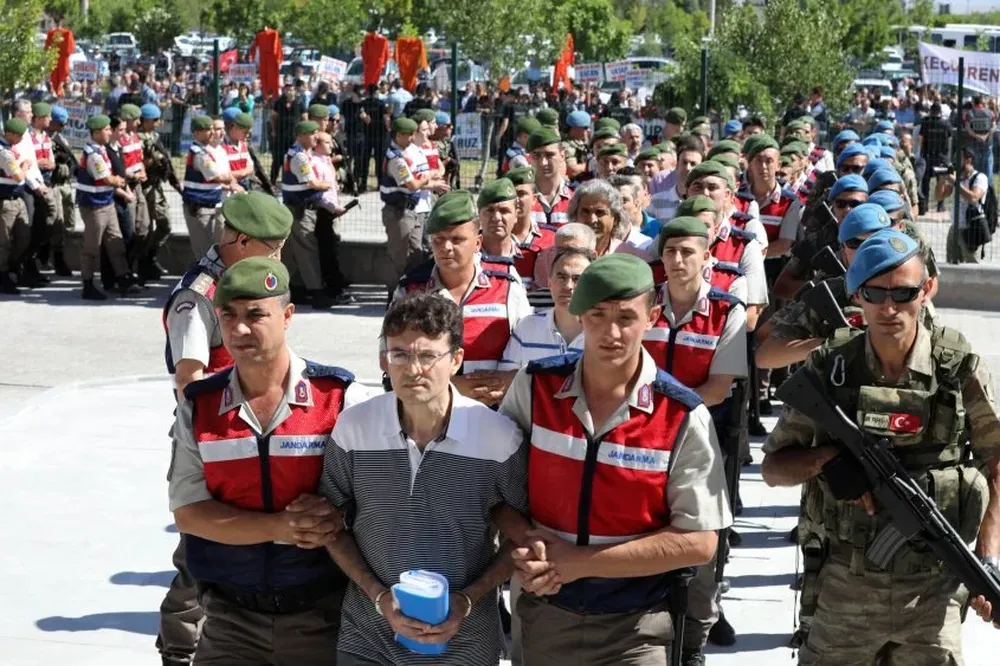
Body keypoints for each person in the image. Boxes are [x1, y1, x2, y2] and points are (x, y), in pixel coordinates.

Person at [761, 229, 1000, 665]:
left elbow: (995, 461)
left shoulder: (957, 368)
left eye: (903, 293)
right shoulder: (832, 369)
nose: (889, 308)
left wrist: (988, 559)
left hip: (933, 592)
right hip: (846, 586)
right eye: (874, 293)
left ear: (926, 289)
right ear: (857, 295)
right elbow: (773, 469)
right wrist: (826, 460)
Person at [497, 252, 732, 665]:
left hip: (638, 628)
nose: (611, 332)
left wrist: (579, 563)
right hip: (544, 613)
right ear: (579, 314)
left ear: (652, 317)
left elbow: (700, 541)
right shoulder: (535, 387)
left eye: (626, 317)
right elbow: (492, 488)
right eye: (598, 315)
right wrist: (527, 539)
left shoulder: (681, 414)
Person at [168, 255, 370, 665]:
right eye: (228, 315)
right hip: (229, 623)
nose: (239, 329)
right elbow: (189, 514)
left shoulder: (339, 398)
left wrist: (338, 516)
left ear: (288, 315)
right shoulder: (199, 407)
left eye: (256, 314)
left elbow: (378, 499)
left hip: (324, 619)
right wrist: (281, 526)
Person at [319, 292, 527, 666]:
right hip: (367, 639)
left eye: (428, 356)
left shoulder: (498, 438)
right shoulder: (354, 428)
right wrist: (379, 597)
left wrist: (467, 600)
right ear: (384, 360)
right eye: (399, 355)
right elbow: (330, 526)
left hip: (465, 644)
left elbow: (524, 535)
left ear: (456, 359)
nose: (413, 369)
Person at [158, 192, 293, 666]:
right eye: (272, 248)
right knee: (199, 547)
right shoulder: (199, 296)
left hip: (253, 430)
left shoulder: (245, 280)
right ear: (240, 242)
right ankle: (178, 648)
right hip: (216, 437)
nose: (278, 258)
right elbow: (189, 378)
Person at [644, 217, 748, 664]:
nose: (677, 260)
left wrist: (660, 410)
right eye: (670, 251)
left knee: (701, 551)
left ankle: (694, 642)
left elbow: (719, 388)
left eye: (687, 251)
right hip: (642, 440)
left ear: (707, 257)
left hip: (702, 443)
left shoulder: (727, 312)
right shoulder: (643, 304)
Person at [393, 190, 531, 405]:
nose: (446, 248)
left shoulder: (505, 284)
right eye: (438, 239)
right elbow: (391, 359)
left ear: (478, 242)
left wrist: (511, 380)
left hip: (497, 410)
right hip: (429, 410)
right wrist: (450, 388)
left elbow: (529, 348)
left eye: (457, 239)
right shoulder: (410, 289)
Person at [380, 117, 448, 296]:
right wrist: (427, 178)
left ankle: (411, 293)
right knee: (398, 256)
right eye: (408, 134)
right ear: (398, 135)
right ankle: (393, 295)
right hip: (399, 212)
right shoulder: (396, 159)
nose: (412, 138)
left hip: (411, 209)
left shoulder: (406, 153)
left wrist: (425, 179)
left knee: (416, 254)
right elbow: (412, 185)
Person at [76, 114, 141, 300]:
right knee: (92, 246)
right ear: (96, 133)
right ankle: (88, 284)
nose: (109, 132)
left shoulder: (101, 150)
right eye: (106, 130)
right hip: (94, 206)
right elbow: (104, 178)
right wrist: (118, 181)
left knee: (115, 242)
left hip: (106, 202)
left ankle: (123, 278)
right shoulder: (94, 155)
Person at [499, 245, 591, 370]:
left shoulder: (603, 332)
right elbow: (506, 376)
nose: (568, 286)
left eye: (577, 279)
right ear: (549, 283)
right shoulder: (527, 328)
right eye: (561, 277)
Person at [280, 120, 337, 309]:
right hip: (301, 210)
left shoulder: (303, 154)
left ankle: (297, 289)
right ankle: (316, 292)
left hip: (302, 208)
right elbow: (311, 182)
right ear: (301, 136)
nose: (316, 138)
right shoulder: (299, 157)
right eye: (312, 134)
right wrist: (326, 185)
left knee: (295, 252)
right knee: (307, 250)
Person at [183, 115, 243, 258]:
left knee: (212, 249)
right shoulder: (199, 153)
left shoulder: (208, 151)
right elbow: (217, 176)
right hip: (199, 206)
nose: (212, 133)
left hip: (209, 203)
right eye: (208, 129)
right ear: (197, 133)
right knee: (204, 252)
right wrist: (229, 177)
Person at [311, 130, 354, 305]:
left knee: (333, 249)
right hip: (324, 211)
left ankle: (336, 287)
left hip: (332, 209)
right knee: (327, 252)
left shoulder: (326, 161)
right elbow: (317, 193)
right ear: (317, 145)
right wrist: (333, 208)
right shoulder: (315, 162)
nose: (332, 146)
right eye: (327, 143)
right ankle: (332, 290)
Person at [138, 103, 177, 281]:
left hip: (155, 186)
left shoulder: (154, 137)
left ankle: (150, 256)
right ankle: (143, 264)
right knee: (145, 228)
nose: (157, 123)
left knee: (165, 224)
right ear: (145, 121)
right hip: (144, 187)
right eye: (154, 120)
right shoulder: (138, 139)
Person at [940, 145, 989, 264]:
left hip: (971, 228)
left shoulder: (980, 177)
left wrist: (955, 182)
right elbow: (940, 196)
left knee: (972, 265)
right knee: (951, 264)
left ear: (968, 160)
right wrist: (942, 179)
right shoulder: (956, 177)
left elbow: (973, 197)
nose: (955, 161)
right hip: (955, 227)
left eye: (959, 158)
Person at [116, 104, 150, 275]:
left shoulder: (135, 137)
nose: (138, 123)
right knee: (129, 230)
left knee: (144, 226)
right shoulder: (120, 141)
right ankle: (127, 269)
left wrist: (142, 172)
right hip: (127, 186)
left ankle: (138, 264)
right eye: (135, 119)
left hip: (138, 186)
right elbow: (119, 167)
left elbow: (139, 160)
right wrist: (134, 176)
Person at [0, 119, 31, 295]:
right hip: (6, 201)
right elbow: (18, 176)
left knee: (24, 236)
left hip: (17, 198)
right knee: (3, 242)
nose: (21, 139)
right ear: (10, 134)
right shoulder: (4, 152)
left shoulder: (11, 148)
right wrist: (25, 167)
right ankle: (3, 275)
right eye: (19, 136)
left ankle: (13, 266)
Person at [567, 178, 628, 258]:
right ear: (575, 215)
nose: (592, 219)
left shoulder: (630, 256)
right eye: (586, 211)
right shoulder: (561, 255)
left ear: (615, 219)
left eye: (600, 212)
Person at [47, 104, 76, 277]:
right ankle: (57, 260)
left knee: (69, 223)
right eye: (60, 124)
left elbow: (72, 160)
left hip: (65, 184)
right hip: (53, 184)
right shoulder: (43, 138)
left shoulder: (60, 138)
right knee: (56, 223)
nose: (63, 127)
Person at [650, 135, 704, 223]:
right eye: (684, 162)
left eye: (693, 164)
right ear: (677, 165)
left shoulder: (706, 203)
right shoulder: (655, 202)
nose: (688, 168)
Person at [527, 129, 573, 226]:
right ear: (529, 158)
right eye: (536, 156)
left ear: (562, 155)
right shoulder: (522, 197)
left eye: (549, 155)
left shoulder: (575, 198)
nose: (543, 163)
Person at [221, 108, 255, 192]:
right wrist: (243, 173)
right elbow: (221, 174)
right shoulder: (221, 146)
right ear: (233, 126)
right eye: (245, 132)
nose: (247, 135)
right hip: (228, 189)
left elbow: (250, 166)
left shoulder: (243, 144)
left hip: (244, 186)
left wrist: (241, 173)